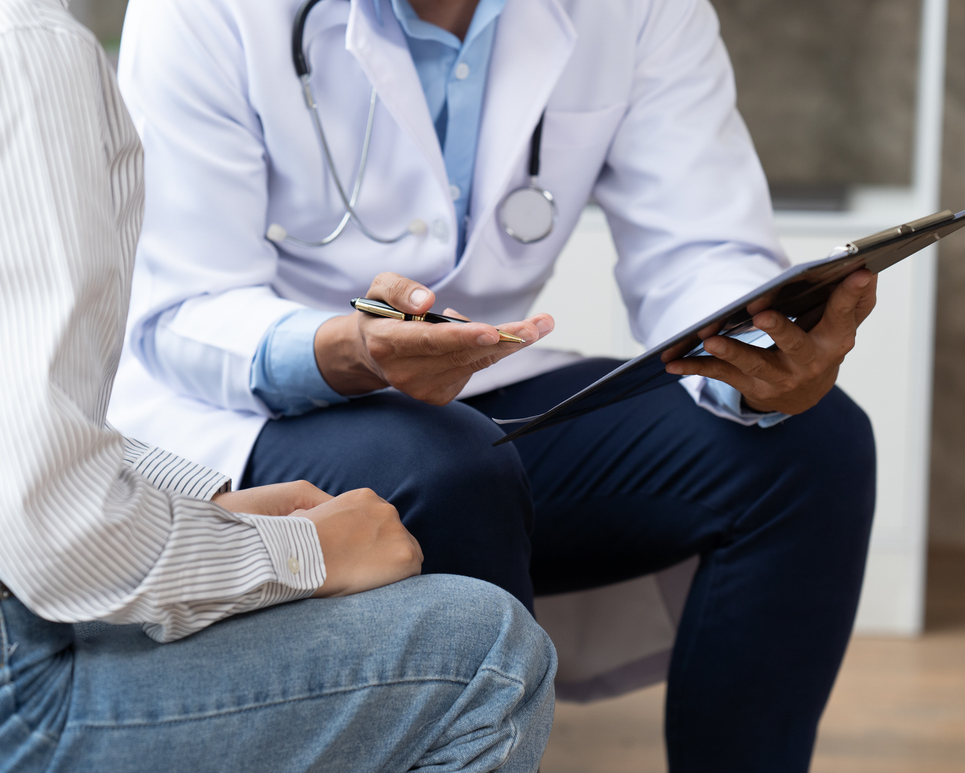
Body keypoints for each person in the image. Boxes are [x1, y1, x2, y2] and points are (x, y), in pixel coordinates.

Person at [110, 0, 878, 769]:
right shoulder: (204, 11)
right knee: (446, 469)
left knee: (813, 444)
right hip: (234, 403)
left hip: (475, 381)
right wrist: (353, 348)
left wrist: (762, 350)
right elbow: (182, 308)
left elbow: (698, 245)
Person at [0, 1, 557, 771]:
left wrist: (204, 504)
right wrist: (301, 552)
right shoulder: (18, 49)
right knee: (482, 653)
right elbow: (53, 536)